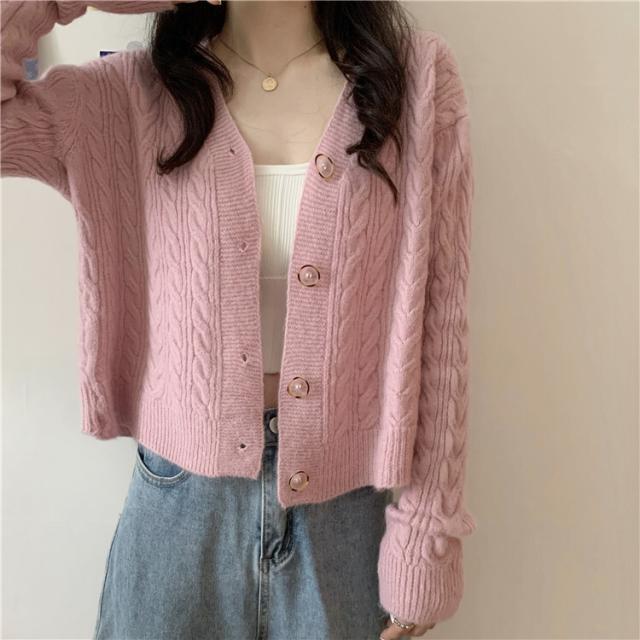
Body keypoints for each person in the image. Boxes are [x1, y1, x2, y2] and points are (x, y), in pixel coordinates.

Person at [0, 1, 477, 638]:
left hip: (346, 519)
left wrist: (427, 537)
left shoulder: (415, 82)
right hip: (178, 510)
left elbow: (442, 325)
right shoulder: (125, 97)